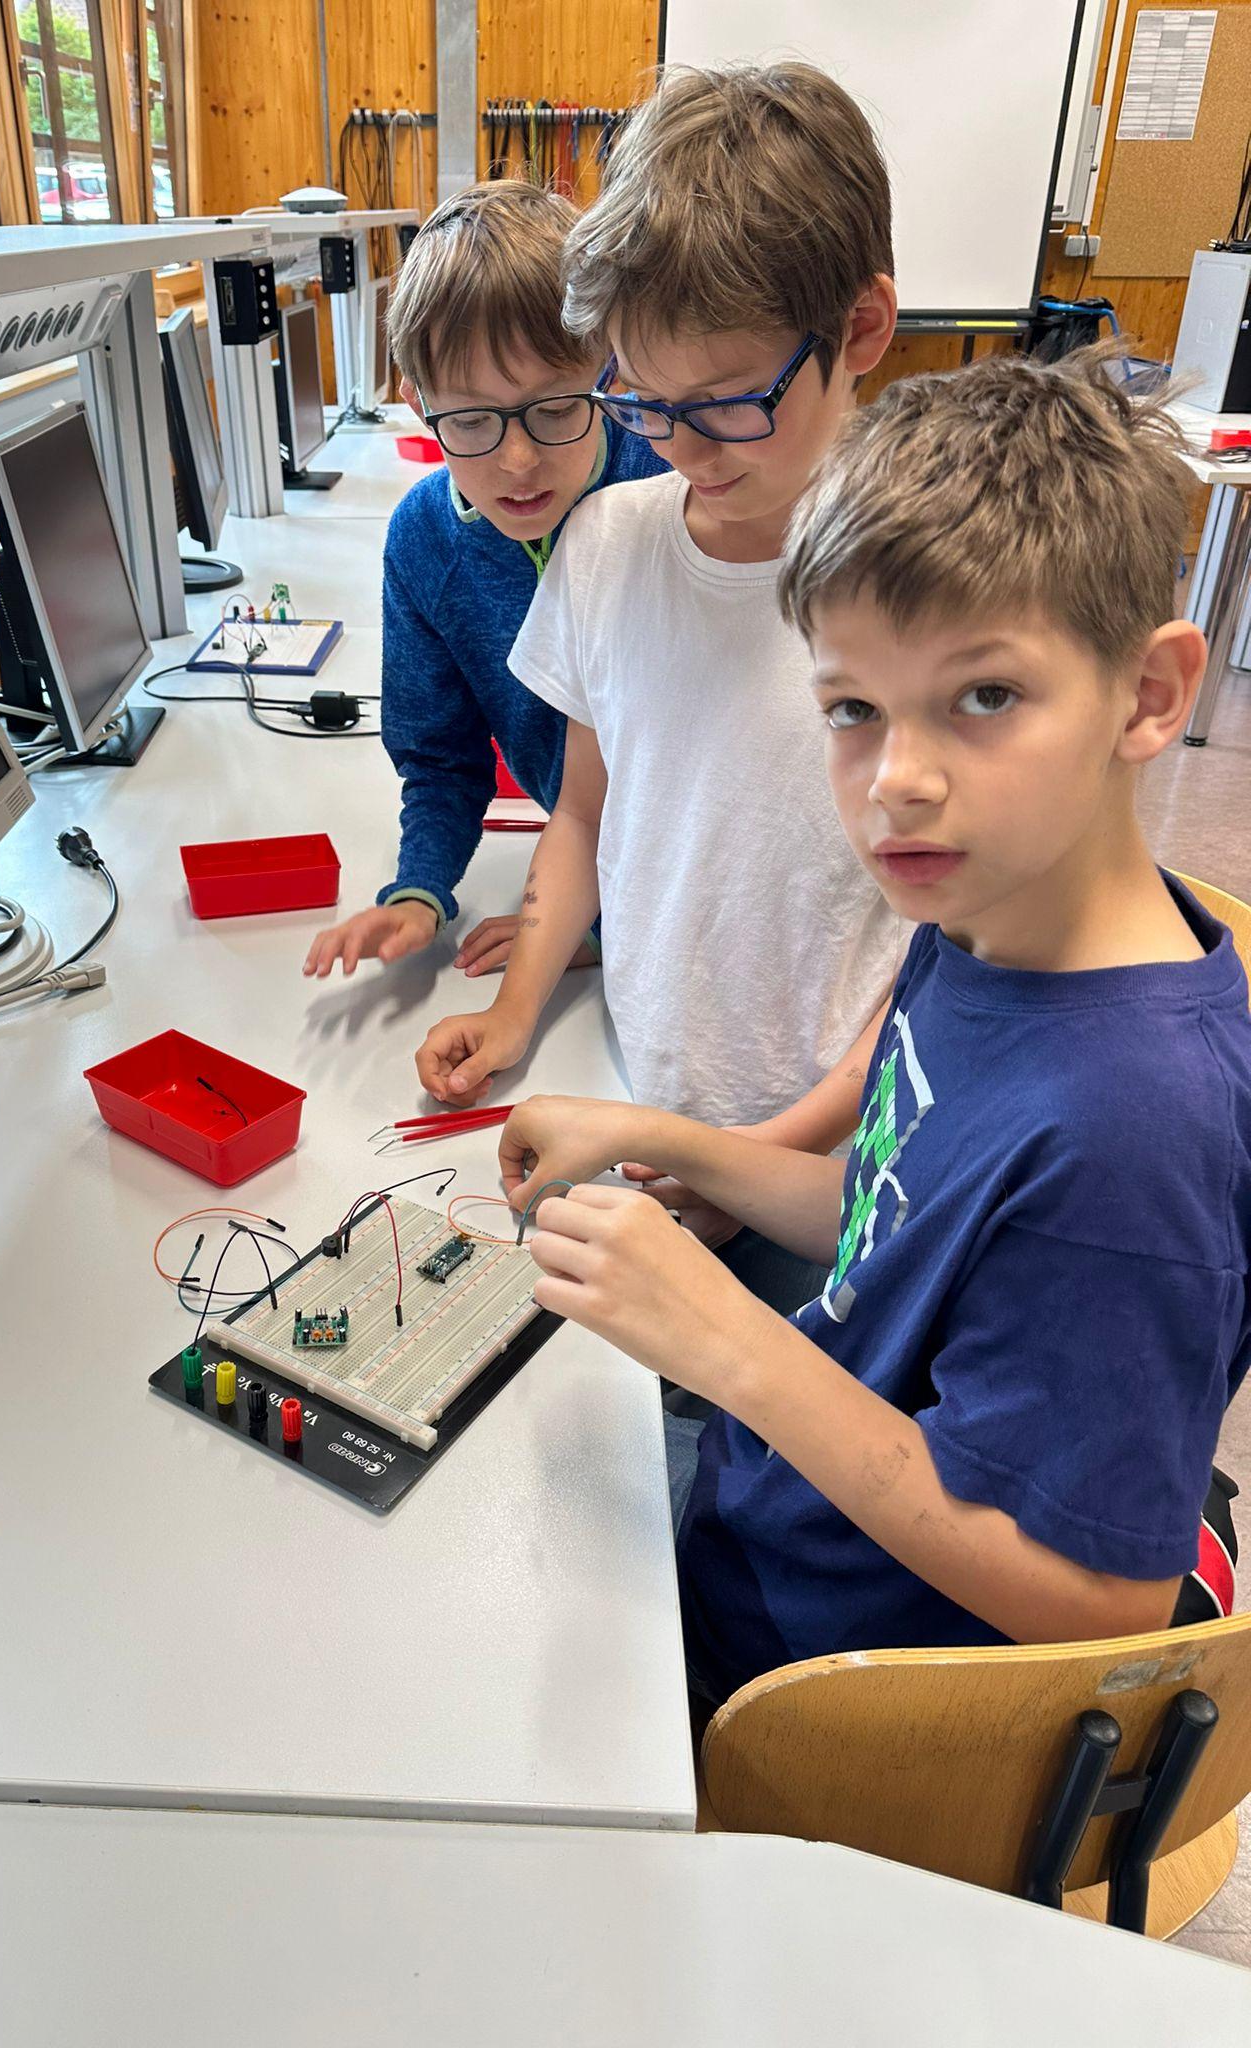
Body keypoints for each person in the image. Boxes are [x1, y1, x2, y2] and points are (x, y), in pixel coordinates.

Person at [496, 347, 1251, 1705]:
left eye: (984, 696)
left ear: (1148, 694)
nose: (897, 781)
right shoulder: (981, 918)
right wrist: (675, 1140)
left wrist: (728, 1343)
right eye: (852, 709)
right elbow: (895, 1209)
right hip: (773, 1515)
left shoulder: (1132, 1132)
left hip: (816, 1672)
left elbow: (1103, 1598)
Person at [412, 65, 910, 1310]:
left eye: (726, 402)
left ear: (859, 329)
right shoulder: (608, 544)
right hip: (647, 1100)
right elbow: (583, 813)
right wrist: (519, 1010)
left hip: (832, 1160)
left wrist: (752, 1157)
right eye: (641, 398)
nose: (677, 444)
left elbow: (952, 954)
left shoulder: (927, 591)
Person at [303, 180, 662, 984]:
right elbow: (441, 758)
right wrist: (421, 890)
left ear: (608, 374)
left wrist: (601, 926)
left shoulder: (670, 488)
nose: (518, 460)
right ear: (416, 403)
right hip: (589, 884)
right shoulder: (424, 541)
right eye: (469, 421)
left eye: (555, 409)